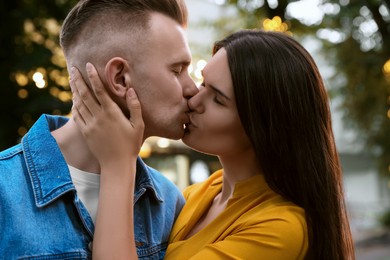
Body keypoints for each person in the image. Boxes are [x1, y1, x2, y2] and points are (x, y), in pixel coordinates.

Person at [71, 29, 355, 259]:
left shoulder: (281, 228)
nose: (193, 100)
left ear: (263, 127)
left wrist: (118, 164)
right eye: (203, 83)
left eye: (217, 99)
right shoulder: (202, 192)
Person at [0, 0, 199, 259]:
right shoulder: (5, 192)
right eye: (177, 70)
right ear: (120, 78)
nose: (193, 89)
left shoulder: (169, 203)